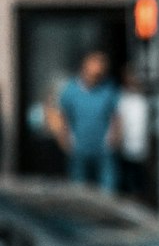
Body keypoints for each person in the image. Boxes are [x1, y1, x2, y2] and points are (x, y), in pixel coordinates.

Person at [54, 51, 121, 191]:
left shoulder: (108, 89)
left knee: (108, 190)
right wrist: (64, 137)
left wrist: (115, 136)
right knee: (78, 189)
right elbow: (61, 114)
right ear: (85, 68)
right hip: (78, 147)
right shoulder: (71, 90)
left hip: (103, 147)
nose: (97, 74)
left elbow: (115, 115)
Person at [117, 67, 151, 200]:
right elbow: (118, 121)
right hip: (126, 148)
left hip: (142, 149)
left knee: (141, 184)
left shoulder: (144, 100)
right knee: (128, 184)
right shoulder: (122, 99)